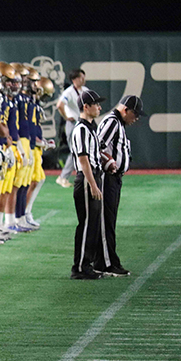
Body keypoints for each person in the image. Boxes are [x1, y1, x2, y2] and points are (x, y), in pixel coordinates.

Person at [95, 95, 145, 277]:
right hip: (107, 177)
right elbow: (96, 146)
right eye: (135, 113)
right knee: (106, 221)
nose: (136, 118)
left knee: (110, 220)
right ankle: (106, 263)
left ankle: (106, 260)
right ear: (125, 110)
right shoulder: (112, 122)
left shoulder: (118, 123)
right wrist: (107, 161)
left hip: (114, 178)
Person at [69, 89, 105, 280]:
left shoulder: (91, 127)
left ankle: (87, 263)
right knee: (86, 223)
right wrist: (92, 184)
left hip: (93, 176)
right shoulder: (81, 129)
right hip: (86, 178)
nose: (99, 107)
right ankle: (80, 267)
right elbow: (83, 160)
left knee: (93, 224)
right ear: (86, 107)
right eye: (96, 104)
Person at [56, 69, 88, 188]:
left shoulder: (85, 90)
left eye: (84, 77)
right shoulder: (68, 92)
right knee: (75, 151)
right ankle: (63, 177)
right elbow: (59, 105)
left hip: (83, 124)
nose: (83, 79)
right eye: (81, 77)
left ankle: (83, 176)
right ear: (74, 79)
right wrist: (66, 117)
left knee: (83, 151)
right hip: (73, 123)